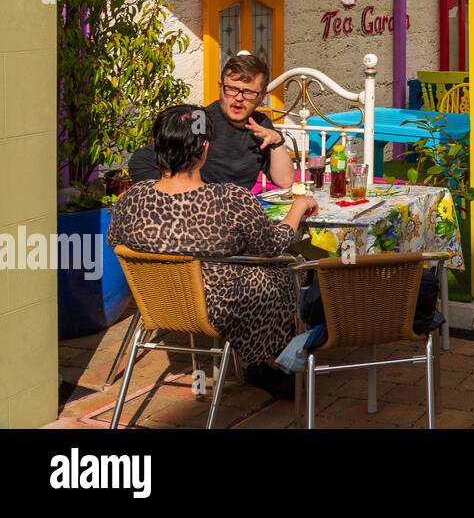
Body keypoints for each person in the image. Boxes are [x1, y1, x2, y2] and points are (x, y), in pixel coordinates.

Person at [108, 105, 317, 398]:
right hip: (220, 308)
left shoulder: (130, 200)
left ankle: (264, 362)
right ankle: (269, 361)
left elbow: (115, 240)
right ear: (205, 149)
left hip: (159, 303)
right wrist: (297, 209)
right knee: (287, 268)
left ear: (157, 146)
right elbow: (273, 245)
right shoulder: (230, 199)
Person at [128, 53, 294, 191]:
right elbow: (142, 160)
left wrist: (276, 141)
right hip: (200, 211)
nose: (238, 99)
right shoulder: (200, 120)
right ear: (220, 87)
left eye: (248, 92)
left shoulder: (260, 125)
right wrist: (170, 197)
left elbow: (285, 181)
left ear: (262, 96)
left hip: (237, 211)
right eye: (231, 89)